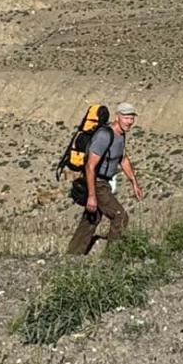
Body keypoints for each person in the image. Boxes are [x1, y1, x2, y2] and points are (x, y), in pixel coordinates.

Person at [67, 103, 144, 256]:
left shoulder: (121, 135)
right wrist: (92, 195)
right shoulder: (104, 135)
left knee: (91, 219)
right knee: (120, 216)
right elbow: (90, 167)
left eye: (131, 118)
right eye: (126, 118)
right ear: (118, 117)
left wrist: (134, 183)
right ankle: (111, 258)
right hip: (96, 183)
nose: (129, 122)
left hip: (103, 183)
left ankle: (72, 256)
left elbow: (123, 159)